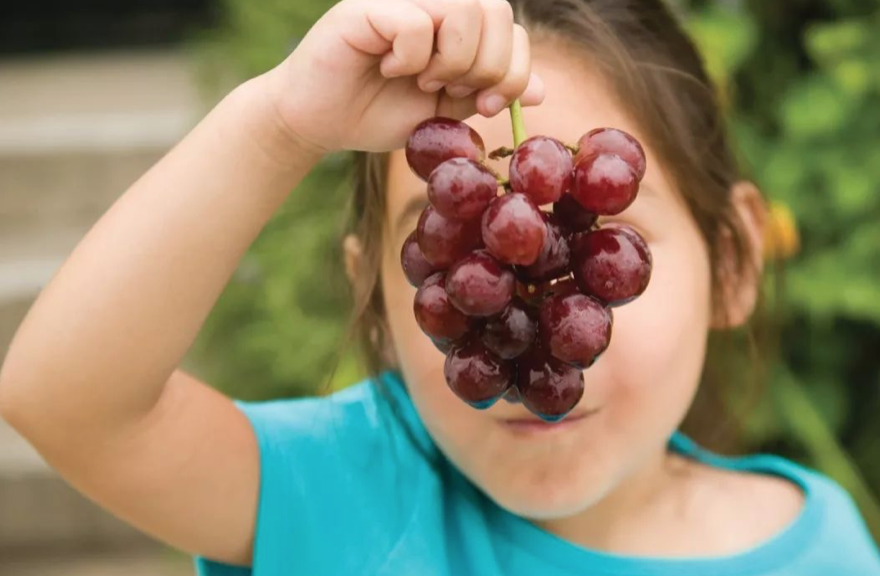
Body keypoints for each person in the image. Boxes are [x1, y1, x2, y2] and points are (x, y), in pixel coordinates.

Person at [1, 0, 878, 574]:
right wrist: (278, 126)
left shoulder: (822, 544)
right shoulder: (352, 489)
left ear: (732, 265)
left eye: (602, 235)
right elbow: (65, 399)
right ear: (381, 294)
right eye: (466, 252)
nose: (528, 306)